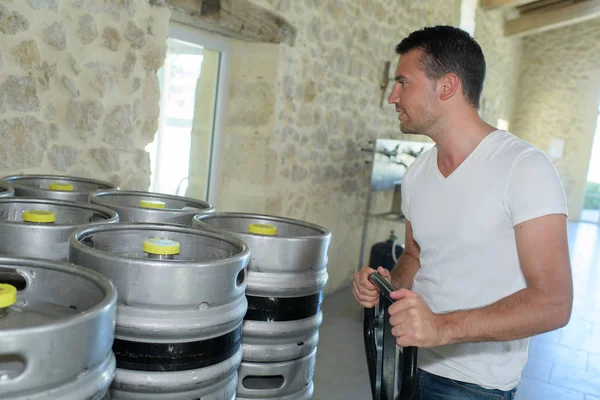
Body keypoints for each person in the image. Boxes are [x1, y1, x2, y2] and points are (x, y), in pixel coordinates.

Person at [352, 25, 573, 399]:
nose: (393, 96)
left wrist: (442, 328)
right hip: (409, 360)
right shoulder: (418, 172)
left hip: (474, 385)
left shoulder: (524, 168)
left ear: (447, 86)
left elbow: (554, 302)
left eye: (403, 82)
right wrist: (386, 286)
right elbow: (416, 255)